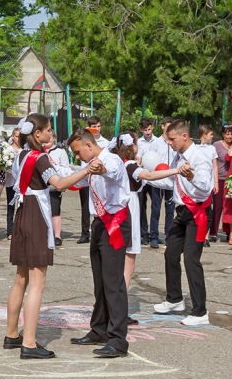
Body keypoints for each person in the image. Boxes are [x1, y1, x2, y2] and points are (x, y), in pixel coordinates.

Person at [5, 114, 93, 358]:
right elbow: (60, 184)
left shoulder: (21, 154)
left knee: (20, 278)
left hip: (23, 212)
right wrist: (86, 170)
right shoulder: (40, 157)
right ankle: (29, 343)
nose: (51, 133)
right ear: (37, 134)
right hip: (36, 214)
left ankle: (12, 334)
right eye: (48, 129)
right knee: (37, 282)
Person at [67, 127, 133, 357]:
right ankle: (99, 329)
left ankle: (118, 340)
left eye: (78, 152)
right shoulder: (90, 164)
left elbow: (111, 172)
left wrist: (101, 169)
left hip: (115, 223)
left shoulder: (110, 160)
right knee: (100, 281)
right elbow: (78, 179)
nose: (77, 156)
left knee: (113, 282)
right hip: (99, 223)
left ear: (88, 145)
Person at [141, 120, 214, 325]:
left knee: (191, 260)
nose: (170, 143)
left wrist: (190, 176)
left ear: (184, 136)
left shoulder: (199, 157)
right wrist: (145, 178)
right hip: (182, 213)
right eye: (167, 139)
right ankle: (175, 300)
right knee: (171, 254)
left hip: (198, 213)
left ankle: (200, 312)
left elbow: (205, 187)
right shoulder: (178, 157)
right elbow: (171, 182)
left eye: (172, 139)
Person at [112, 133, 145, 298]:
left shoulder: (116, 163)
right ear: (132, 146)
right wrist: (173, 171)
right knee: (129, 257)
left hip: (118, 204)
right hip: (130, 205)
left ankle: (115, 296)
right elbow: (147, 176)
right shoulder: (130, 165)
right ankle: (121, 298)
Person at [77, 116, 109, 244]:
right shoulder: (83, 140)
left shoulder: (105, 142)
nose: (97, 129)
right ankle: (85, 233)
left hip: (99, 177)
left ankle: (103, 229)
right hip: (85, 176)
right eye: (94, 127)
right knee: (85, 206)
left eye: (98, 126)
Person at [137, 118, 168, 248]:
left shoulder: (157, 141)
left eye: (149, 129)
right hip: (142, 177)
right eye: (145, 130)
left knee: (155, 206)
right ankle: (144, 234)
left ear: (152, 128)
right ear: (141, 130)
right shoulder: (139, 142)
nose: (148, 132)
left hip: (155, 178)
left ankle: (154, 234)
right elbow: (138, 157)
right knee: (141, 206)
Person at [210, 124, 232, 241]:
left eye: (231, 134)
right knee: (218, 207)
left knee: (229, 208)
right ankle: (213, 233)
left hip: (231, 180)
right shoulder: (216, 145)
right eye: (227, 134)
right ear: (223, 134)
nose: (229, 136)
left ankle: (230, 232)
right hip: (219, 179)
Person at [46, 132, 70, 245]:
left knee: (55, 212)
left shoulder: (60, 152)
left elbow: (65, 169)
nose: (48, 140)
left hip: (55, 187)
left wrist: (63, 184)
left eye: (50, 137)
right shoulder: (39, 151)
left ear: (54, 138)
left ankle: (57, 236)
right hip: (42, 187)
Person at [197, 125, 220, 245]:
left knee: (207, 211)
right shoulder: (194, 147)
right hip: (196, 184)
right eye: (210, 134)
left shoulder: (211, 149)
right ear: (204, 135)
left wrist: (216, 182)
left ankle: (205, 235)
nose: (212, 136)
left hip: (208, 185)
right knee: (197, 210)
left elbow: (215, 166)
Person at [3, 128, 22, 240]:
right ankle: (10, 231)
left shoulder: (25, 149)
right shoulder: (8, 149)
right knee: (10, 206)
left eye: (20, 136)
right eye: (17, 136)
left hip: (22, 182)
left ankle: (20, 230)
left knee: (22, 206)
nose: (18, 139)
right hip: (11, 181)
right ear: (13, 137)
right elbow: (5, 166)